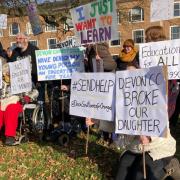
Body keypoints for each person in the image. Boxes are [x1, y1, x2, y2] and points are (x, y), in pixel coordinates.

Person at [115, 26, 180, 180]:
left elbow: (168, 112)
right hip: (136, 142)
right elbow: (119, 105)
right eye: (147, 41)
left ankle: (171, 164)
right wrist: (96, 119)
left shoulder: (169, 78)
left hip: (158, 143)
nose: (149, 43)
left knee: (141, 176)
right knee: (122, 176)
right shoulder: (134, 68)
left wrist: (150, 133)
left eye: (154, 41)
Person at [0, 63, 38, 145]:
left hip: (17, 101)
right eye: (5, 73)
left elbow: (35, 92)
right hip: (3, 101)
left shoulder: (23, 79)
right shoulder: (1, 83)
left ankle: (10, 136)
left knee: (11, 109)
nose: (6, 74)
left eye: (8, 72)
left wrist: (28, 97)